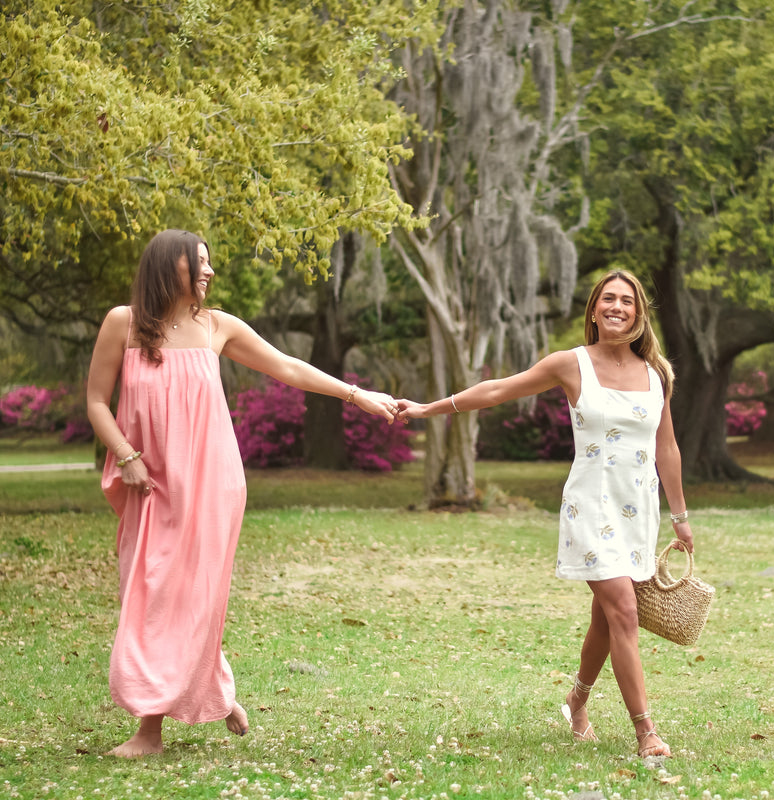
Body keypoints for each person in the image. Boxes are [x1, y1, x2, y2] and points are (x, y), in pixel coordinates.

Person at [87, 229, 400, 758]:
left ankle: (149, 733)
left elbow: (288, 367)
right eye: (199, 261)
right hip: (151, 482)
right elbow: (97, 401)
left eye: (209, 262)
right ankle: (215, 689)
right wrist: (126, 455)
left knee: (194, 594)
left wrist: (356, 394)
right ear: (168, 265)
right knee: (150, 592)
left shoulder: (217, 326)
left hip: (212, 483)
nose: (209, 271)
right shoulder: (123, 323)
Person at [397, 269, 694, 759]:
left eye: (627, 301)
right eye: (608, 299)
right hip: (590, 506)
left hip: (637, 510)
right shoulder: (570, 364)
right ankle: (647, 733)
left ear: (639, 313)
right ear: (593, 310)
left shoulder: (656, 373)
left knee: (607, 617)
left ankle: (577, 701)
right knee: (624, 610)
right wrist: (428, 409)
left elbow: (667, 447)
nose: (617, 307)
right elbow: (497, 390)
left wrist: (680, 516)